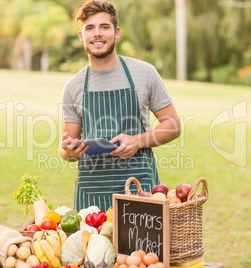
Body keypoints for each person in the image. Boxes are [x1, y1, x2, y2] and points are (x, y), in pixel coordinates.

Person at [58, 0, 181, 212]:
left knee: (142, 247)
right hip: (92, 194)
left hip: (139, 187)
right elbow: (67, 147)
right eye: (90, 28)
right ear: (81, 36)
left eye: (104, 27)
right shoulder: (73, 87)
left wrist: (138, 141)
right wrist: (68, 151)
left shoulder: (145, 73)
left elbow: (173, 125)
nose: (97, 34)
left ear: (116, 32)